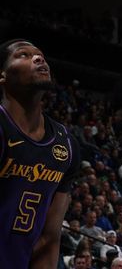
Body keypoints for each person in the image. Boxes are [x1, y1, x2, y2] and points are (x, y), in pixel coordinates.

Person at [0, 38, 81, 268]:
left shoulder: (66, 145)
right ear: (2, 76)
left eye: (40, 55)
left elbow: (49, 238)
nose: (38, 58)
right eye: (23, 55)